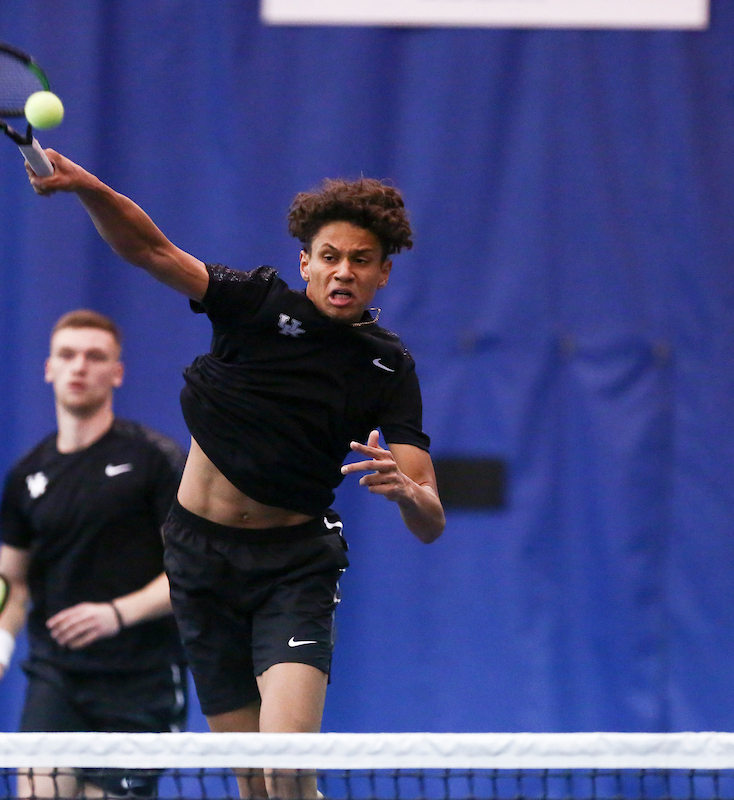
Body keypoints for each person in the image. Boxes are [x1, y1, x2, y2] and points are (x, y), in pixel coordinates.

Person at [29, 154, 446, 800]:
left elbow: (430, 521)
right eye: (329, 256)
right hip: (199, 565)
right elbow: (149, 249)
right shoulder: (254, 304)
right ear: (305, 262)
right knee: (253, 784)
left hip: (295, 568)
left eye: (361, 260)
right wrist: (87, 186)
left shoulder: (388, 369)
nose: (343, 271)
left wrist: (410, 493)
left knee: (284, 770)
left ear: (383, 273)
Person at [0, 309, 188, 800]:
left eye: (95, 356)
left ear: (117, 372)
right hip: (57, 678)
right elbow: (13, 583)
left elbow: (191, 573)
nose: (79, 367)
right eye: (67, 355)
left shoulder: (157, 460)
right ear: (49, 368)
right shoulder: (26, 477)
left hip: (141, 679)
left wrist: (116, 614)